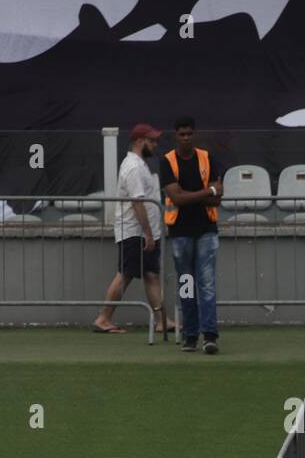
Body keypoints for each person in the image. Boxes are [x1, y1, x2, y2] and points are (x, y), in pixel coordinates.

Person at [95, 123, 168, 335]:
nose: (155, 144)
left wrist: (150, 232)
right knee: (126, 274)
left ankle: (162, 320)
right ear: (139, 141)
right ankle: (104, 318)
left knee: (151, 274)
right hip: (135, 232)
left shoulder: (138, 164)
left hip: (143, 232)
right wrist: (147, 233)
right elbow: (137, 202)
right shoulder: (134, 167)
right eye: (151, 140)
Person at [159, 116, 222, 354]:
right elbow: (176, 198)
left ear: (194, 134)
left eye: (189, 134)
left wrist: (189, 195)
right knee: (187, 284)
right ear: (176, 135)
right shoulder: (167, 161)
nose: (186, 137)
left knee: (207, 284)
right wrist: (207, 192)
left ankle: (209, 335)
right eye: (182, 134)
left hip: (206, 229)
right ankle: (190, 335)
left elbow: (219, 196)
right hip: (180, 232)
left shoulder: (206, 157)